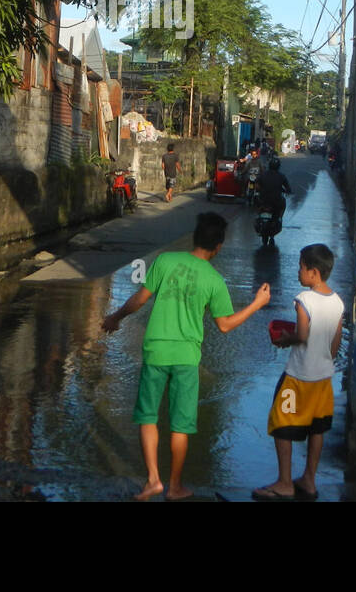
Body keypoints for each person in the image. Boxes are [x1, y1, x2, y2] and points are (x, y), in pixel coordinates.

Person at [101, 212, 271, 500]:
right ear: (218, 246)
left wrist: (115, 317)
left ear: (195, 238)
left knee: (147, 417)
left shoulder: (166, 261)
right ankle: (175, 486)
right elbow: (225, 325)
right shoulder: (215, 280)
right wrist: (256, 304)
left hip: (156, 349)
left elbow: (140, 299)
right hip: (186, 357)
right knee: (180, 424)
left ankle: (153, 480)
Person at [253, 245, 344, 501]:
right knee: (317, 428)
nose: (298, 271)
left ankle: (284, 483)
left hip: (298, 378)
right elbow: (335, 346)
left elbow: (302, 335)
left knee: (282, 422)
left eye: (301, 267)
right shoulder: (338, 302)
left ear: (313, 273)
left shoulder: (304, 300)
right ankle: (309, 480)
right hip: (323, 378)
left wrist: (285, 338)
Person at [255, 157, 292, 222]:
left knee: (257, 201)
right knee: (283, 202)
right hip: (276, 200)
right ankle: (280, 218)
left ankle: (258, 215)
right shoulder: (281, 176)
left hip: (263, 199)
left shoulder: (263, 174)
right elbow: (288, 188)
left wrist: (260, 189)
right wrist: (288, 191)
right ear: (278, 166)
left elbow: (257, 184)